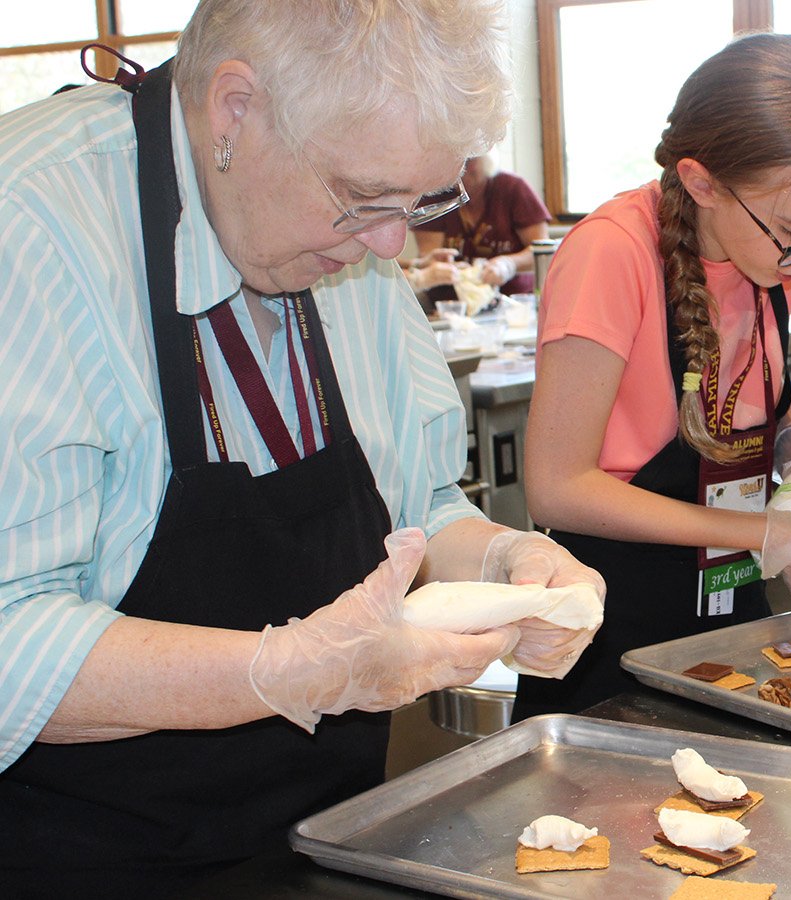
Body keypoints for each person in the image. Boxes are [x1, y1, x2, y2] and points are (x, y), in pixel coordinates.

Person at [0, 1, 603, 893]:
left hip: (327, 839)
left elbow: (420, 508)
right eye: (364, 200)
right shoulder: (31, 228)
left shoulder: (348, 240)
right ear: (234, 110)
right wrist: (287, 672)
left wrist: (511, 560)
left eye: (423, 201)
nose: (395, 244)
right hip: (81, 859)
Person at [514, 33, 791, 717]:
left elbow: (740, 390)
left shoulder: (769, 255)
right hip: (617, 631)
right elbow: (557, 489)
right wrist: (761, 534)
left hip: (732, 608)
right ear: (703, 182)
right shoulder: (612, 256)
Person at [406, 153, 553, 308]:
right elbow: (429, 255)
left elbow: (542, 251)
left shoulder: (512, 188)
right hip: (449, 306)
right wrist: (442, 270)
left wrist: (508, 264)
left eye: (470, 161)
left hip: (511, 304)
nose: (464, 169)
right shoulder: (434, 195)